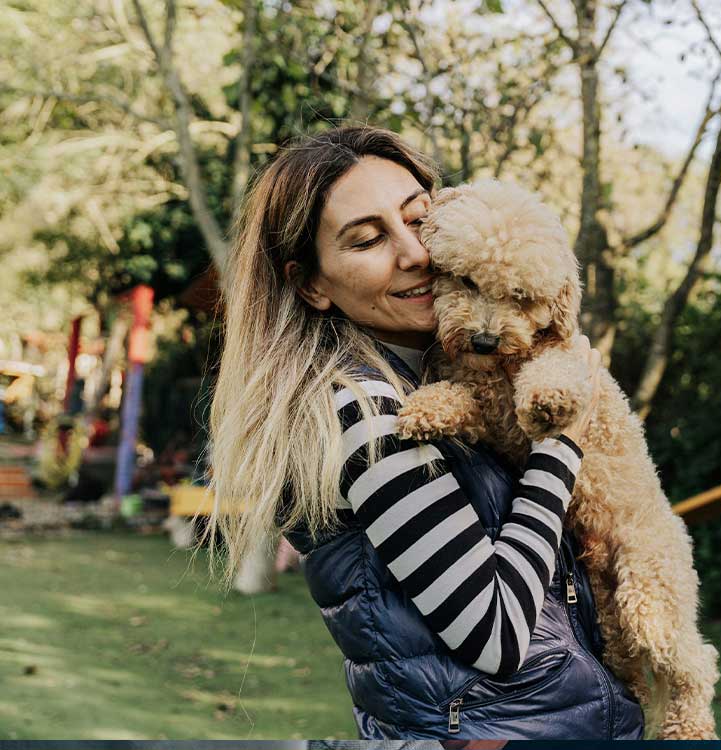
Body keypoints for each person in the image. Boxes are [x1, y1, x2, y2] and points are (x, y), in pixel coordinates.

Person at [207, 126, 644, 739]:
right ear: (312, 284)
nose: (413, 253)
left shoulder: (438, 382)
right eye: (367, 239)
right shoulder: (367, 412)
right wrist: (561, 443)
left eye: (419, 219)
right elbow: (496, 633)